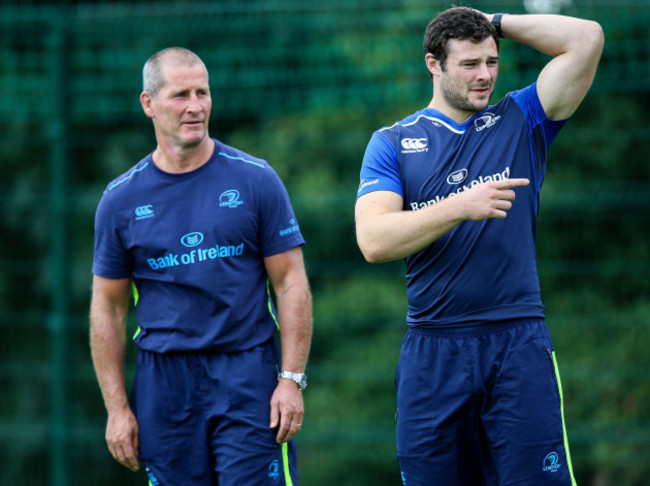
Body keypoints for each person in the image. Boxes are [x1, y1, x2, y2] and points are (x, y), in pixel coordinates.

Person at [355, 7, 603, 485]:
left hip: (518, 343)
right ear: (434, 64)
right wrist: (458, 206)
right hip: (433, 350)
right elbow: (373, 239)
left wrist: (495, 22)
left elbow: (587, 39)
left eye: (491, 61)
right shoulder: (392, 142)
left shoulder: (520, 117)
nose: (485, 74)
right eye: (469, 64)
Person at [90, 47, 312, 486]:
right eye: (180, 95)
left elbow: (291, 283)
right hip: (164, 383)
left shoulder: (255, 179)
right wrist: (116, 409)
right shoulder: (120, 200)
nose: (195, 106)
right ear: (148, 104)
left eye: (202, 93)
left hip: (248, 374)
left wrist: (291, 380)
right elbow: (107, 308)